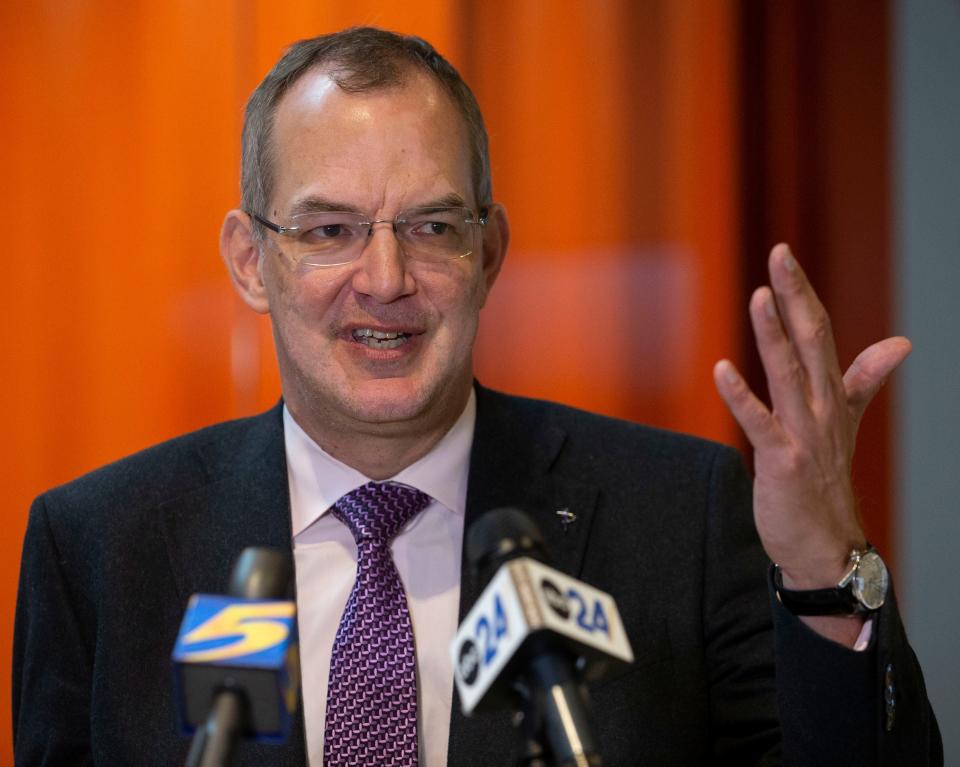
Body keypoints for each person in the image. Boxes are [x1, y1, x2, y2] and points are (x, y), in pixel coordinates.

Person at [12, 26, 941, 767]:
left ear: (488, 252)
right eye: (330, 229)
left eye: (431, 226)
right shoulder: (99, 546)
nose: (385, 279)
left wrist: (826, 573)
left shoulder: (681, 514)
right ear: (252, 262)